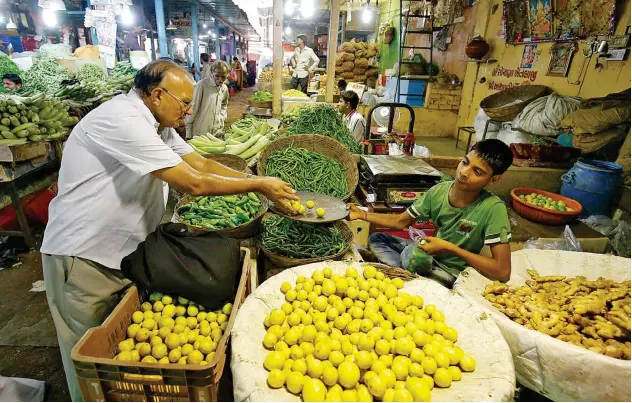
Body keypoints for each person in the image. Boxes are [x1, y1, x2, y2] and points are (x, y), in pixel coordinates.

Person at [40, 59, 298, 402]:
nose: (189, 112)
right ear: (157, 94)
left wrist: (255, 181)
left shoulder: (157, 126)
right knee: (90, 359)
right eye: (185, 103)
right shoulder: (123, 120)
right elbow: (194, 182)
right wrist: (260, 185)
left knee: (121, 355)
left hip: (120, 252)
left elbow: (202, 163)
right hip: (83, 255)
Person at [348, 139, 513, 285]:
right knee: (377, 238)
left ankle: (403, 274)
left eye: (477, 172)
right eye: (465, 162)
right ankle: (408, 275)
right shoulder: (439, 191)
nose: (464, 172)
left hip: (451, 271)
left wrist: (450, 248)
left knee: (438, 279)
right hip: (429, 254)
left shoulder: (493, 208)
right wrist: (362, 214)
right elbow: (401, 222)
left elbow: (502, 271)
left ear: (494, 179)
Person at [186, 60, 230, 139]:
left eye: (223, 77)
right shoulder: (202, 85)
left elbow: (224, 104)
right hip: (201, 131)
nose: (220, 79)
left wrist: (222, 117)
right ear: (212, 73)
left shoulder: (224, 88)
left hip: (216, 130)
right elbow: (193, 108)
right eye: (217, 76)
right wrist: (188, 132)